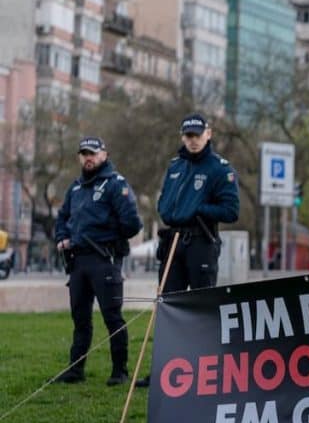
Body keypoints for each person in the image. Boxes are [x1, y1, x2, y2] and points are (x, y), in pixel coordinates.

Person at [54, 137, 143, 384]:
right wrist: (62, 237)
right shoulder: (75, 188)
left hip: (104, 259)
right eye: (84, 154)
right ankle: (75, 370)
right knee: (80, 318)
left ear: (104, 154)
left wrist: (108, 237)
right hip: (78, 262)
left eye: (92, 153)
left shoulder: (116, 184)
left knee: (112, 317)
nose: (88, 158)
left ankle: (120, 372)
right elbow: (62, 219)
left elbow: (132, 223)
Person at [155, 112, 239, 293]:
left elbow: (231, 211)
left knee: (202, 303)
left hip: (201, 241)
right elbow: (164, 199)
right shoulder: (175, 165)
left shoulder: (220, 168)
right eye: (189, 135)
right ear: (182, 136)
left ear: (208, 134)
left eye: (197, 135)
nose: (193, 140)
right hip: (173, 240)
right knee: (168, 301)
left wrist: (198, 209)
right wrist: (165, 210)